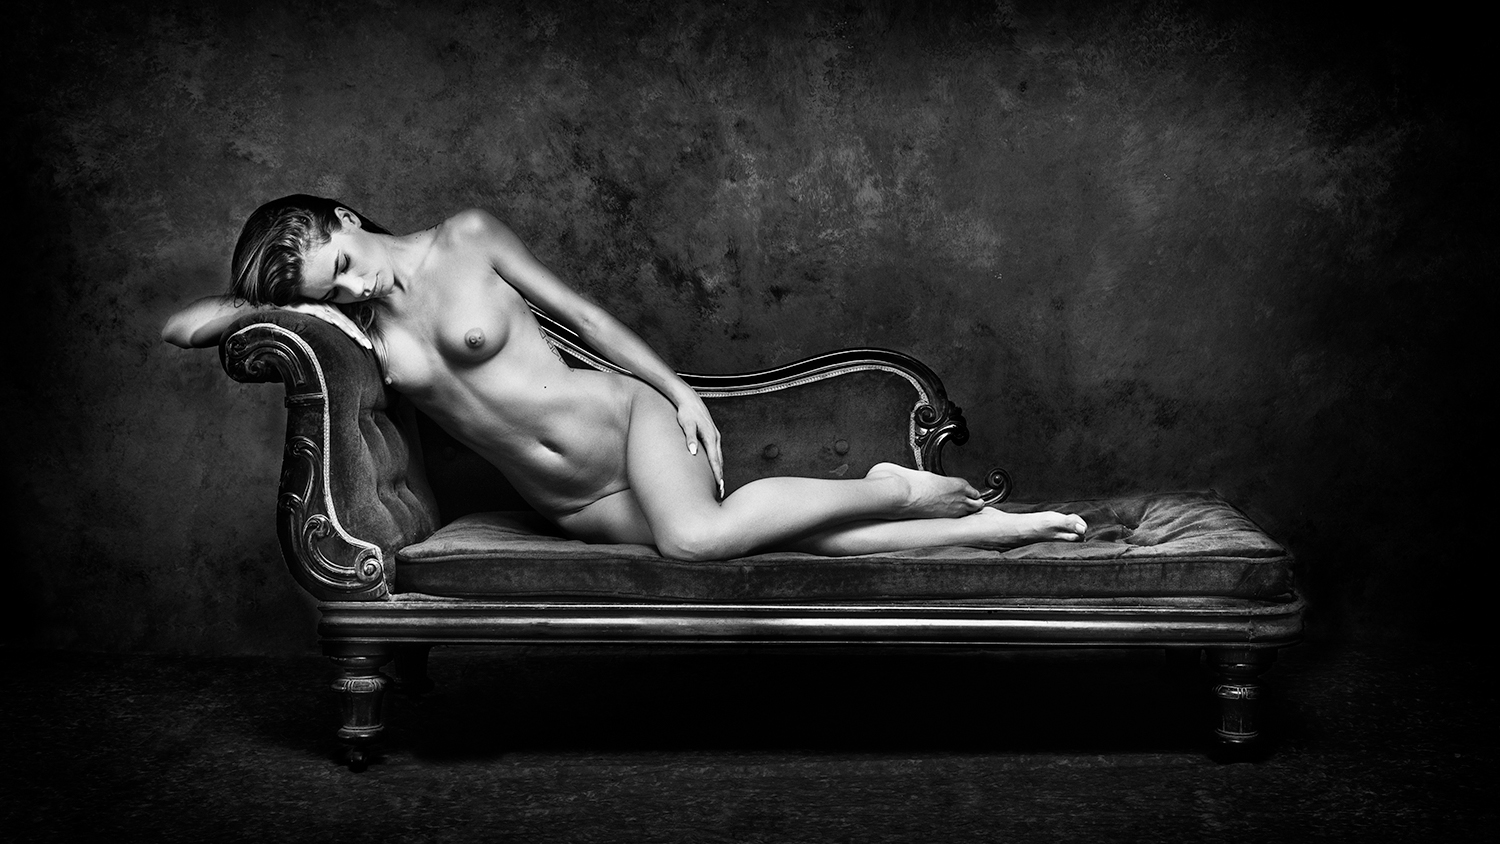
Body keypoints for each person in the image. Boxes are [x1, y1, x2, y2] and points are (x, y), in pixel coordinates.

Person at [164, 195, 1087, 560]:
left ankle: (891, 486)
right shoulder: (359, 328)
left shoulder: (464, 239)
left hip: (626, 426)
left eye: (344, 262)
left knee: (693, 539)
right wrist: (260, 303)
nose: (355, 287)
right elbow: (183, 327)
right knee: (783, 545)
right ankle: (986, 531)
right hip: (571, 500)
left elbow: (589, 321)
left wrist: (679, 394)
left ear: (345, 216)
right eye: (331, 291)